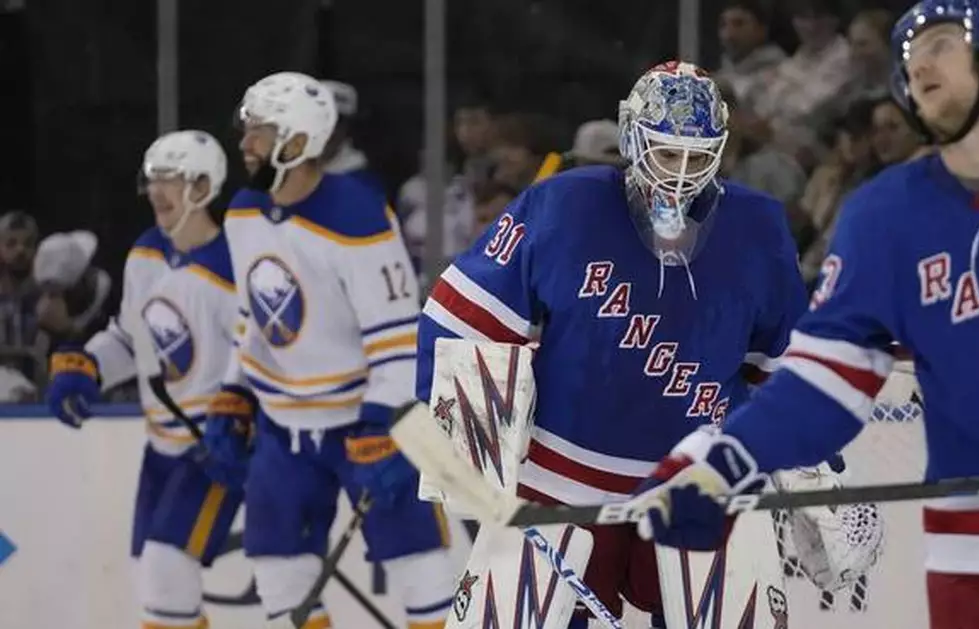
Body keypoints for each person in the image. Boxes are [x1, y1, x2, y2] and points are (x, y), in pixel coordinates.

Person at [633, 3, 979, 629]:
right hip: (978, 538)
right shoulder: (883, 217)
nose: (916, 62)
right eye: (906, 56)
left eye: (935, 44)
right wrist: (725, 462)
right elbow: (822, 384)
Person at [416, 61, 809, 627]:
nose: (679, 177)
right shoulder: (560, 207)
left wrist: (813, 465)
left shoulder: (758, 228)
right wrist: (471, 458)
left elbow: (790, 365)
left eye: (697, 158)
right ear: (631, 138)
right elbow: (464, 317)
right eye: (666, 154)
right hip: (557, 490)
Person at [208, 71, 460, 629]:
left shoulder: (359, 216)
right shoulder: (243, 214)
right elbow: (252, 316)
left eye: (260, 132)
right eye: (247, 130)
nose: (246, 143)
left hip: (365, 425)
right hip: (282, 430)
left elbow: (398, 336)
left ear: (297, 139)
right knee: (278, 574)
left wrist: (381, 426)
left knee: (427, 572)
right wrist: (234, 391)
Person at [44, 130, 244, 629]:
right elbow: (133, 340)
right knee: (156, 582)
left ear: (202, 186)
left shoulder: (232, 268)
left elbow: (261, 359)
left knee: (167, 568)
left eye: (170, 179)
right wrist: (88, 366)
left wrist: (242, 420)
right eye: (153, 178)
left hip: (214, 447)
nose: (156, 190)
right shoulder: (147, 253)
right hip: (162, 449)